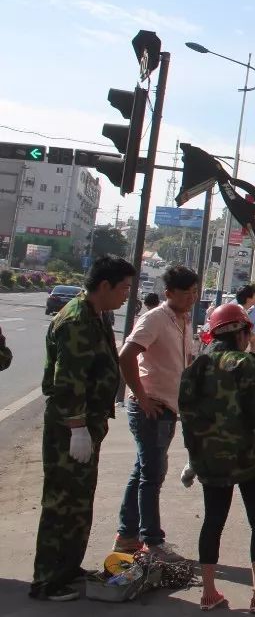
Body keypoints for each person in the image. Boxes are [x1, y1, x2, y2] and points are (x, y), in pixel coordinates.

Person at [30, 255, 135, 602]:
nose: (126, 295)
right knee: (61, 502)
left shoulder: (96, 314)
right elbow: (68, 381)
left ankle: (67, 568)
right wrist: (77, 429)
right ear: (105, 285)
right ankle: (47, 580)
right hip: (69, 427)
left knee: (79, 501)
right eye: (123, 288)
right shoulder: (76, 320)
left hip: (87, 424)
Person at [178, 302, 255, 613]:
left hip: (210, 461)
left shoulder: (196, 367)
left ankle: (208, 593)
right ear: (241, 333)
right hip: (250, 460)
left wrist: (193, 458)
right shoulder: (247, 365)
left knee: (212, 522)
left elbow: (187, 418)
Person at [115, 264, 201, 558]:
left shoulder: (184, 320)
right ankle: (152, 540)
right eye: (186, 293)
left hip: (168, 407)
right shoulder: (155, 319)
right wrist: (141, 397)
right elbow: (126, 356)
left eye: (194, 292)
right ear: (169, 293)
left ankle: (127, 535)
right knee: (152, 475)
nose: (192, 298)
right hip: (150, 407)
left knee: (143, 471)